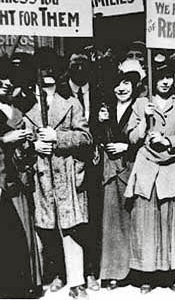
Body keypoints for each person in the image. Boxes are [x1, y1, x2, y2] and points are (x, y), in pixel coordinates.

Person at [124, 54, 175, 294]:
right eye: (161, 77)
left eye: (168, 77)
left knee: (173, 221)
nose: (165, 82)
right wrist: (145, 120)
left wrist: (168, 140)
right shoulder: (141, 104)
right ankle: (147, 274)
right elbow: (132, 137)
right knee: (147, 222)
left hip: (173, 166)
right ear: (153, 78)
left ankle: (174, 274)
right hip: (147, 168)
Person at [25, 48, 92, 299]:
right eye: (42, 67)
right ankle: (57, 275)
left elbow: (86, 138)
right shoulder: (28, 104)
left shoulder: (71, 102)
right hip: (42, 178)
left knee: (71, 228)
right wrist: (33, 144)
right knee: (47, 229)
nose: (47, 72)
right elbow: (20, 140)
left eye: (51, 66)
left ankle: (76, 280)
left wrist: (58, 137)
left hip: (66, 177)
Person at [96, 60, 143, 289]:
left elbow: (147, 138)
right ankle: (115, 271)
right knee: (113, 223)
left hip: (134, 168)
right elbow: (97, 138)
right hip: (111, 171)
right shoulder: (107, 109)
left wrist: (127, 147)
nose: (121, 88)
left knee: (136, 220)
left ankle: (137, 271)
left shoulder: (140, 108)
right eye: (118, 84)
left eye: (126, 83)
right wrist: (101, 122)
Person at [57, 49, 101, 291]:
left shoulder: (99, 92)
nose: (80, 70)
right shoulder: (61, 94)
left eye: (84, 65)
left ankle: (92, 270)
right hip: (70, 166)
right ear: (69, 69)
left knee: (92, 219)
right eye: (75, 65)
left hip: (94, 166)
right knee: (71, 221)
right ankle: (66, 274)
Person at [0, 57, 41, 298]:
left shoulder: (17, 110)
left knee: (21, 233)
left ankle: (25, 283)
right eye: (0, 77)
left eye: (7, 78)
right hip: (1, 181)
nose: (5, 82)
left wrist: (27, 142)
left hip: (17, 180)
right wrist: (5, 140)